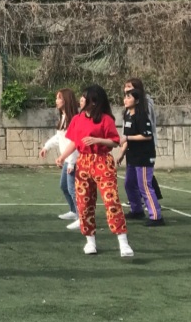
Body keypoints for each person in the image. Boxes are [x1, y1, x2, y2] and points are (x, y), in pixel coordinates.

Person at [55, 85, 132, 257]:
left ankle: (123, 242)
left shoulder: (105, 119)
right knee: (84, 203)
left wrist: (97, 140)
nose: (81, 100)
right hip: (83, 162)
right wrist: (62, 157)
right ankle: (90, 242)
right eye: (82, 97)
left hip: (102, 161)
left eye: (85, 97)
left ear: (94, 102)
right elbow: (74, 142)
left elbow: (115, 141)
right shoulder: (77, 119)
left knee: (111, 201)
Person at [116, 87, 164, 226]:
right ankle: (137, 210)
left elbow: (146, 136)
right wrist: (121, 154)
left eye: (129, 97)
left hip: (143, 157)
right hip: (132, 156)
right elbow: (127, 137)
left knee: (145, 186)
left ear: (136, 101)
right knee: (129, 184)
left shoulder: (142, 116)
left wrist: (127, 138)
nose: (125, 100)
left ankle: (156, 217)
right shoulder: (128, 115)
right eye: (125, 97)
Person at [39, 88, 80, 228]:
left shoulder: (74, 119)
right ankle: (74, 211)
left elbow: (75, 142)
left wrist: (71, 163)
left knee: (73, 189)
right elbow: (59, 137)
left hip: (73, 160)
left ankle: (82, 217)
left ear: (66, 100)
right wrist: (46, 147)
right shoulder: (63, 117)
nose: (56, 101)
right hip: (67, 159)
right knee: (64, 186)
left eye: (59, 98)